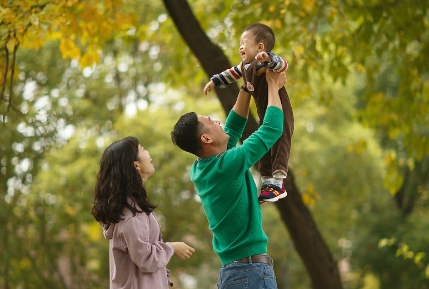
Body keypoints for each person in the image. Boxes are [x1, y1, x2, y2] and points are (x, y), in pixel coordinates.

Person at [171, 69, 286, 289]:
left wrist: (246, 85)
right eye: (210, 121)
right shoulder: (226, 165)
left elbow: (233, 128)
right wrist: (273, 85)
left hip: (237, 273)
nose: (216, 120)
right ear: (205, 138)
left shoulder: (201, 168)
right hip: (250, 273)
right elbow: (271, 129)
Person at [203, 23, 294, 203]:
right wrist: (214, 81)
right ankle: (268, 183)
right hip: (266, 114)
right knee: (265, 149)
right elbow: (230, 74)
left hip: (280, 113)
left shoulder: (262, 63)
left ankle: (279, 183)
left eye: (244, 42)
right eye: (240, 43)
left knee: (280, 144)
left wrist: (268, 57)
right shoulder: (245, 67)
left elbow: (282, 65)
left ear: (260, 47)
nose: (240, 47)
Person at [91, 136, 195, 289]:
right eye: (142, 149)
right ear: (136, 165)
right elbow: (145, 258)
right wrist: (172, 247)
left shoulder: (131, 208)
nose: (148, 153)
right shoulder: (132, 214)